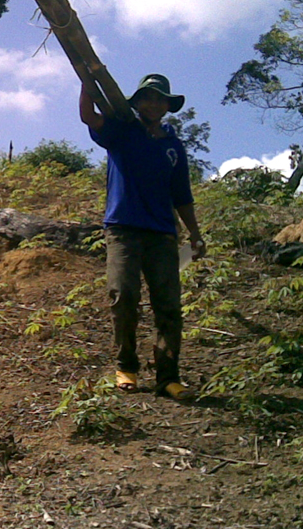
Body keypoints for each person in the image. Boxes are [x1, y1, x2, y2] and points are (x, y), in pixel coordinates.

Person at [79, 74, 206, 400]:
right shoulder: (123, 130)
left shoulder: (173, 146)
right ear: (136, 102)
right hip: (123, 229)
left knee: (168, 307)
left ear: (167, 106)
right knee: (123, 295)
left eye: (160, 99)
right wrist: (87, 83)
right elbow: (89, 117)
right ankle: (127, 366)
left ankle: (168, 378)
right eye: (147, 98)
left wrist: (194, 234)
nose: (153, 104)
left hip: (163, 235)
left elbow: (181, 195)